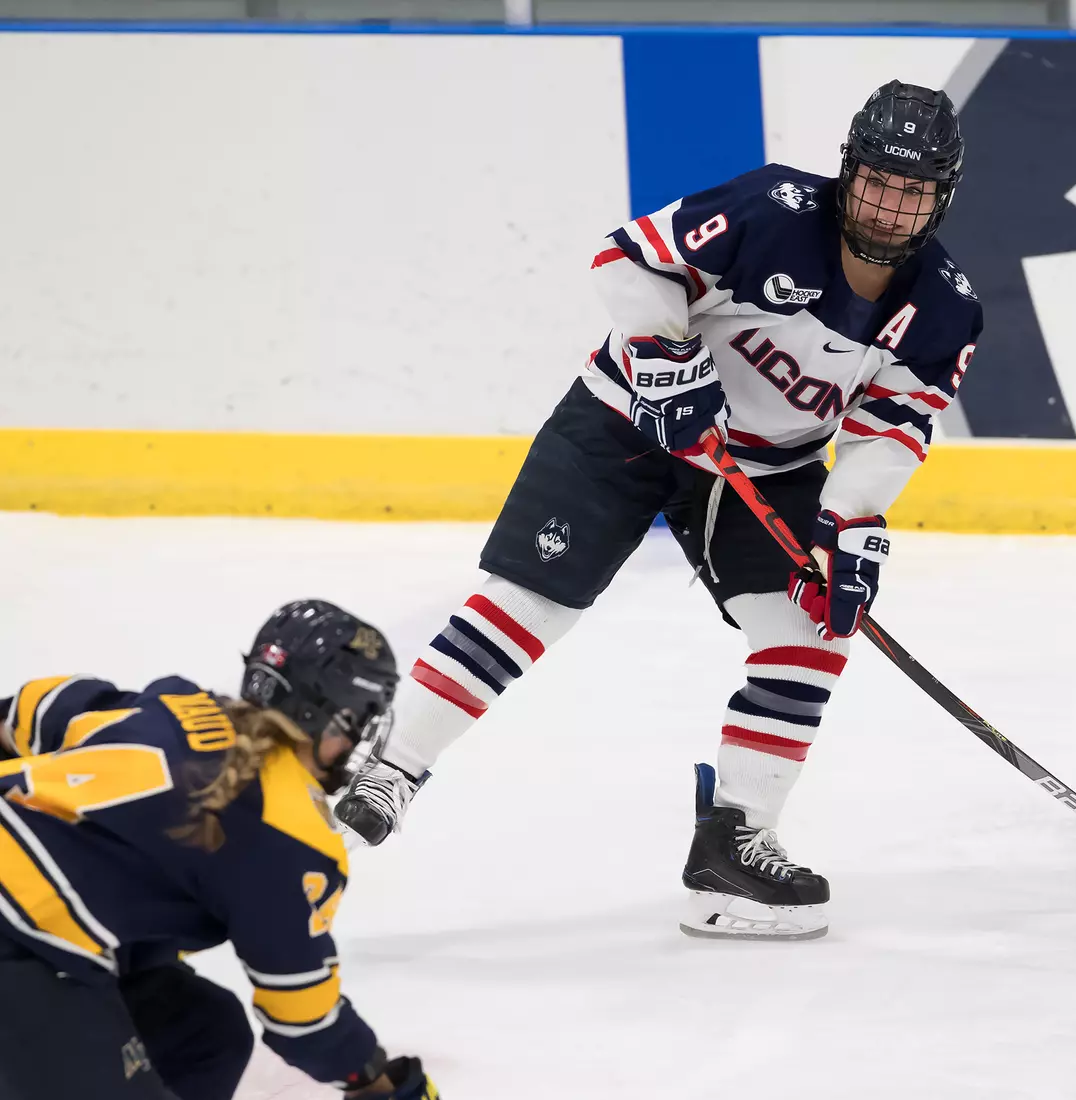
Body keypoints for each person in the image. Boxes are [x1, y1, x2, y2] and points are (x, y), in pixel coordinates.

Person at [338, 79, 982, 942]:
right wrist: (664, 356)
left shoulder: (945, 308)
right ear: (848, 169)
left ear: (943, 197)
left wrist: (850, 520)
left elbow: (892, 429)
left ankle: (733, 843)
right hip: (625, 422)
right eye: (875, 179)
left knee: (810, 632)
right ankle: (392, 766)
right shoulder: (772, 209)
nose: (888, 204)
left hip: (765, 470)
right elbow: (629, 259)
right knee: (530, 602)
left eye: (912, 190)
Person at [0, 600, 437, 1100]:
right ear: (328, 717)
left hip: (33, 938)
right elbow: (305, 1021)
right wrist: (383, 1085)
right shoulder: (289, 833)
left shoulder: (176, 702)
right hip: (23, 942)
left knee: (206, 1035)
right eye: (358, 721)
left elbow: (28, 708)